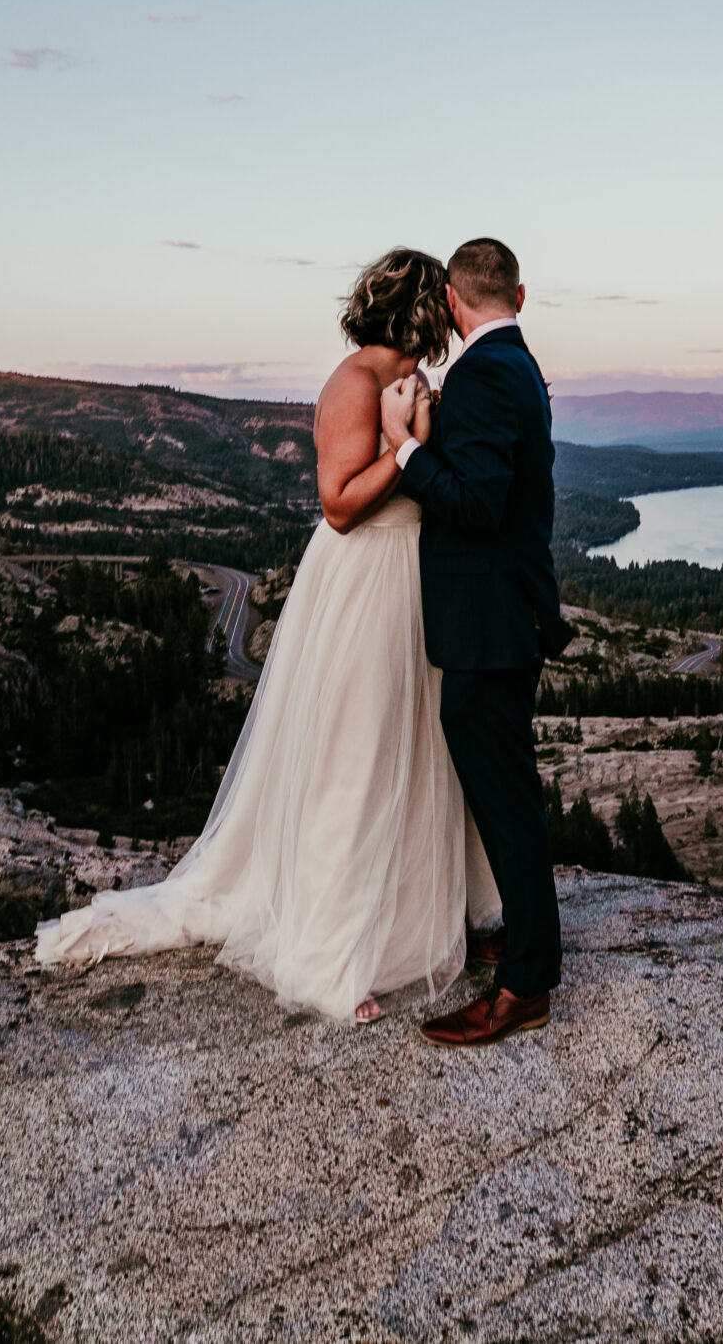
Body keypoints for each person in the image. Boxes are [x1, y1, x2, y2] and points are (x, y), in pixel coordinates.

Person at [34, 248, 498, 1025]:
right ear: (423, 307)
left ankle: (409, 922)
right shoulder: (355, 383)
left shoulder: (410, 381)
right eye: (441, 304)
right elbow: (341, 503)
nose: (452, 317)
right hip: (365, 582)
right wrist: (401, 443)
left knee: (410, 751)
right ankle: (328, 958)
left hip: (410, 582)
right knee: (355, 754)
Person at [382, 236, 573, 1048]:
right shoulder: (518, 365)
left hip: (491, 624)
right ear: (519, 297)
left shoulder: (488, 373)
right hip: (500, 617)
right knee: (506, 786)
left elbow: (478, 504)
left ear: (455, 305)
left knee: (507, 794)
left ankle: (526, 979)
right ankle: (521, 939)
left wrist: (406, 445)